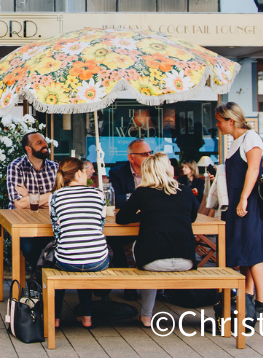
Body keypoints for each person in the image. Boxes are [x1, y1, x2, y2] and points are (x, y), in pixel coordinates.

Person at [115, 153, 198, 327]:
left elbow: (121, 219)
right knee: (153, 246)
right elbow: (192, 217)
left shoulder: (142, 192)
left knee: (143, 246)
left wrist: (145, 215)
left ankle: (146, 316)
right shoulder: (186, 191)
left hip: (153, 262)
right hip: (187, 260)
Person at [215, 101, 263, 319]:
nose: (217, 126)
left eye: (220, 122)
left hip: (247, 203)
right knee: (244, 251)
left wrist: (244, 199)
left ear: (231, 121)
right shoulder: (236, 140)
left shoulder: (251, 138)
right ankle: (247, 298)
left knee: (253, 251)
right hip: (237, 201)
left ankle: (262, 304)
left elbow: (254, 169)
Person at [49, 157, 109, 328]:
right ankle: (87, 318)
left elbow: (57, 232)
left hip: (67, 261)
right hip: (98, 260)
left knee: (60, 262)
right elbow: (100, 226)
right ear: (79, 173)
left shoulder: (56, 196)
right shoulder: (98, 194)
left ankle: (55, 319)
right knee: (86, 258)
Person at [6, 131, 58, 270]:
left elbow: (60, 198)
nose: (45, 145)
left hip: (49, 224)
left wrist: (30, 197)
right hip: (24, 225)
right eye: (39, 143)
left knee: (62, 246)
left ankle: (45, 281)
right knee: (29, 248)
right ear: (28, 149)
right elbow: (19, 204)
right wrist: (51, 195)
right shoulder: (16, 167)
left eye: (44, 141)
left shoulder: (54, 168)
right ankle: (44, 278)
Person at [107, 138, 152, 279]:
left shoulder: (155, 171)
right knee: (112, 239)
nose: (149, 157)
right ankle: (125, 281)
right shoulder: (118, 172)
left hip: (152, 224)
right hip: (129, 222)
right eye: (145, 154)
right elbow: (114, 199)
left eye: (150, 153)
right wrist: (138, 198)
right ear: (131, 158)